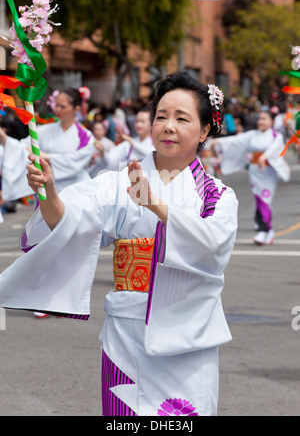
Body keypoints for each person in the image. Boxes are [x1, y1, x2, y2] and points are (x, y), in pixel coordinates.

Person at [0, 71, 238, 416]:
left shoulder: (216, 195)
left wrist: (155, 204)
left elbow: (214, 246)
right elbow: (69, 219)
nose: (168, 126)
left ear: (204, 130)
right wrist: (49, 191)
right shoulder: (117, 182)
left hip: (188, 336)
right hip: (125, 333)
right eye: (161, 116)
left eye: (181, 118)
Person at [0, 88, 95, 203]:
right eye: (57, 105)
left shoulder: (85, 136)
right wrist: (3, 137)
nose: (57, 109)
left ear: (76, 109)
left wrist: (46, 157)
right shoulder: (45, 130)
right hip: (49, 191)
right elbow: (21, 148)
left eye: (63, 106)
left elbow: (74, 163)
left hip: (77, 192)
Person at [211, 110, 290, 245]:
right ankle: (265, 230)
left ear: (271, 121)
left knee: (264, 199)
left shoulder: (275, 135)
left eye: (264, 119)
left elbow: (275, 148)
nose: (261, 121)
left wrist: (264, 157)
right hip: (255, 171)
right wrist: (217, 141)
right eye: (260, 119)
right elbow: (236, 140)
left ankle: (266, 230)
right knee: (259, 199)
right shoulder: (252, 135)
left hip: (267, 171)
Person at [96, 108, 154, 172]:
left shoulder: (155, 143)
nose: (138, 125)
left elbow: (152, 155)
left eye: (142, 122)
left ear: (152, 125)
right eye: (137, 121)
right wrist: (102, 153)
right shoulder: (127, 143)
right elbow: (110, 162)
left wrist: (130, 140)